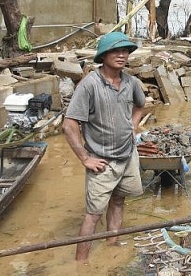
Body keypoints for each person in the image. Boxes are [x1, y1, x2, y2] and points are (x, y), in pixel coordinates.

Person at [63, 31, 146, 262]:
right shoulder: (89, 85)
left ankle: (112, 246)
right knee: (93, 215)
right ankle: (81, 264)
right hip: (102, 160)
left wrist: (133, 125)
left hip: (128, 155)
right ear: (103, 55)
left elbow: (141, 105)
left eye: (125, 51)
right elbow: (69, 125)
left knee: (119, 201)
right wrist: (84, 158)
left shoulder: (131, 82)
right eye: (116, 51)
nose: (122, 55)